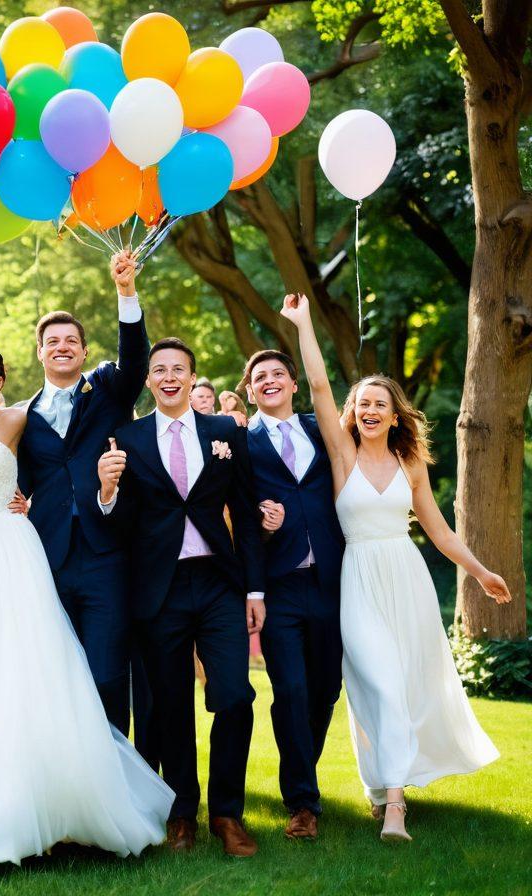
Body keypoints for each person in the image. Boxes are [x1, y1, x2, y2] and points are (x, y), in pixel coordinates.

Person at [0, 265, 173, 876]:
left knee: (43, 676)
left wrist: (126, 293)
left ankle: (79, 802)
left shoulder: (19, 419)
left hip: (19, 554)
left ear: (1, 378)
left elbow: (118, 382)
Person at [280, 292, 508, 842]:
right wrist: (304, 323)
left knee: (401, 689)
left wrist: (480, 572)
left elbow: (440, 532)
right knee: (379, 685)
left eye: (380, 403)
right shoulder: (343, 455)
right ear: (354, 412)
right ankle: (395, 809)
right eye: (363, 403)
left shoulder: (410, 463)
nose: (370, 410)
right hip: (357, 581)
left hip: (407, 581)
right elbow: (318, 388)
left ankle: (389, 789)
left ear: (394, 413)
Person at [98, 336, 265, 857]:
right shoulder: (127, 438)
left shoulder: (224, 433)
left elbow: (247, 513)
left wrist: (254, 588)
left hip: (218, 583)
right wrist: (107, 493)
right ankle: (182, 815)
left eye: (179, 369)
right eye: (159, 370)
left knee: (234, 697)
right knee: (170, 707)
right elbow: (121, 526)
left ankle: (227, 814)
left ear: (193, 378)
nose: (169, 377)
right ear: (148, 380)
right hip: (160, 589)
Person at [14, 248, 149, 732]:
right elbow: (19, 478)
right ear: (40, 352)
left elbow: (136, 359)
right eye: (52, 341)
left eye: (72, 341)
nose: (62, 347)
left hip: (106, 552)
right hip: (48, 558)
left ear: (85, 352)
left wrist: (126, 293)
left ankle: (115, 768)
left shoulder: (109, 387)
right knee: (58, 676)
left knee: (108, 676)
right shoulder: (21, 416)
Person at [240, 348, 344, 840]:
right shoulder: (242, 442)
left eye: (278, 373)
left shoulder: (322, 430)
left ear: (294, 384)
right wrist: (262, 525)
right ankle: (302, 802)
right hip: (279, 585)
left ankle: (303, 772)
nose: (269, 380)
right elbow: (235, 514)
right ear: (249, 390)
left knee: (325, 690)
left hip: (330, 580)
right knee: (292, 690)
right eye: (259, 376)